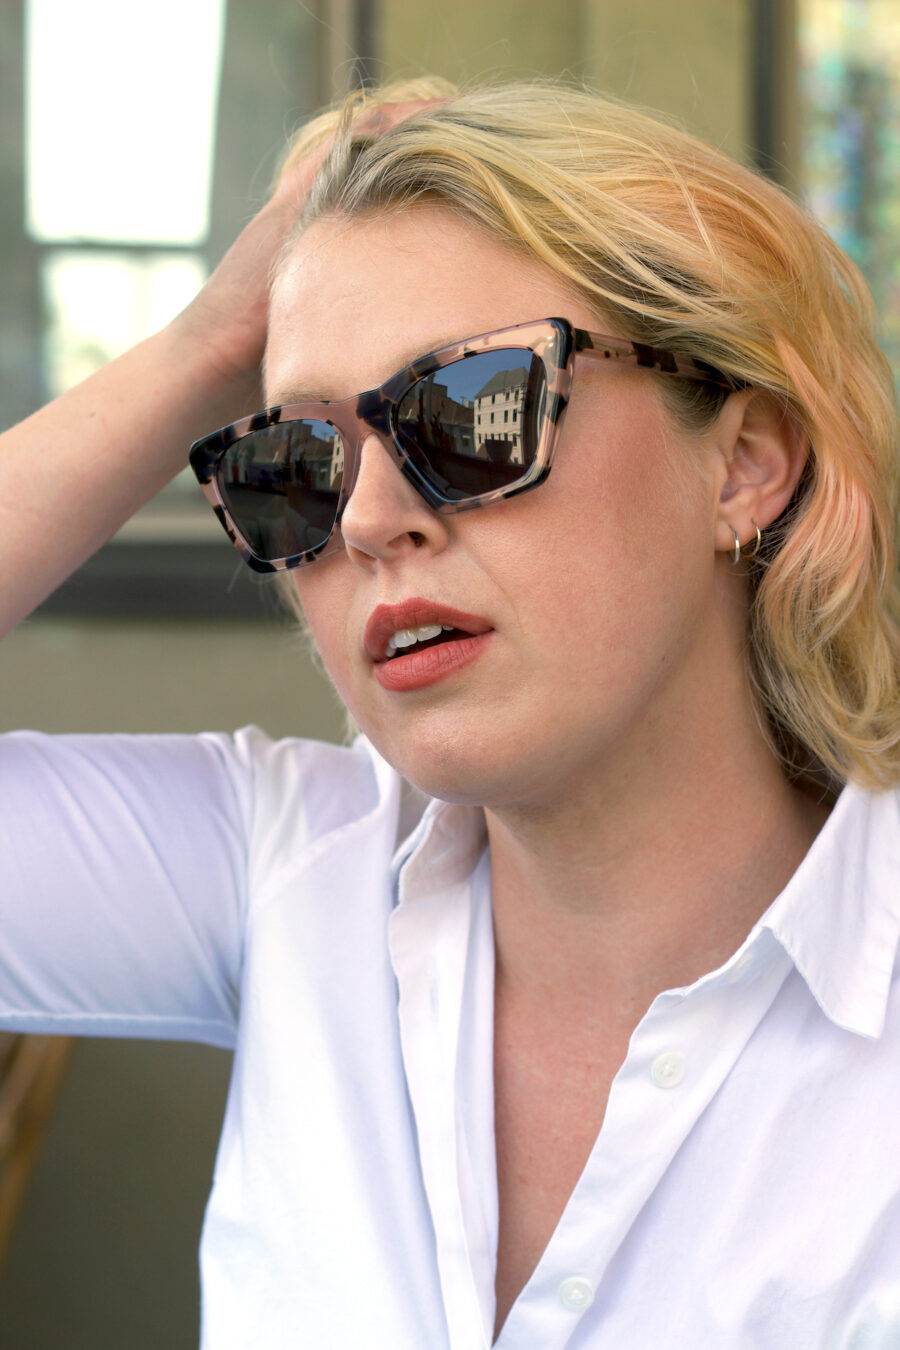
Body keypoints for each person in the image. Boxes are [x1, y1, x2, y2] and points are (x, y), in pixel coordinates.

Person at [2, 75, 899, 1349]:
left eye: (473, 412)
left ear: (745, 462)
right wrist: (205, 348)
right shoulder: (282, 876)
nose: (368, 519)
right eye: (295, 463)